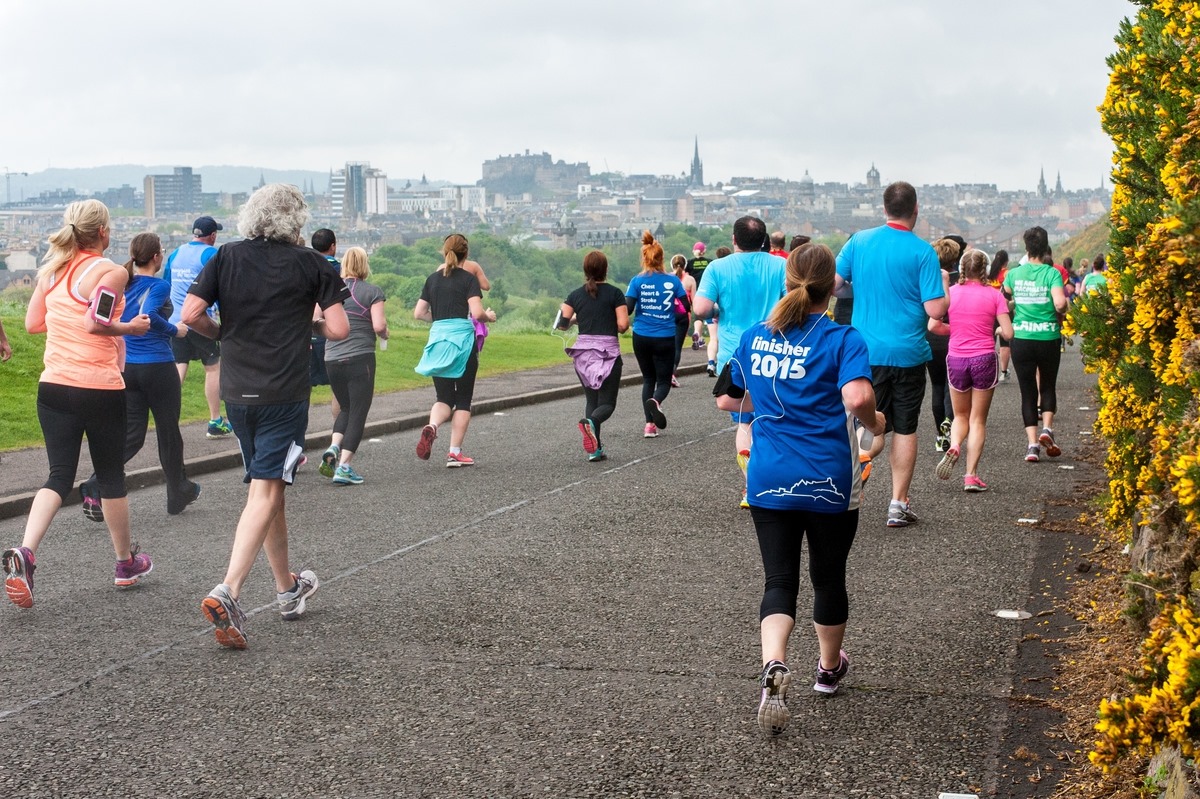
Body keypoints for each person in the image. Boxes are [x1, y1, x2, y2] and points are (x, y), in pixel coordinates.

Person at [713, 243, 885, 733]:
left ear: (787, 282)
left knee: (779, 580)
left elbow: (727, 397)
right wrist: (877, 422)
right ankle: (828, 670)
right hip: (829, 478)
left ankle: (773, 663)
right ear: (833, 288)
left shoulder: (754, 336)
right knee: (828, 577)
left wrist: (766, 399)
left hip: (768, 477)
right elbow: (856, 395)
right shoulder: (842, 338)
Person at [182, 184, 350, 649]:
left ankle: (286, 590)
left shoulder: (226, 257)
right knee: (266, 487)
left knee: (269, 480)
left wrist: (221, 333)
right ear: (294, 221)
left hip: (238, 393)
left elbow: (192, 313)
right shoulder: (312, 264)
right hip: (283, 391)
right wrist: (309, 323)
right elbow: (337, 329)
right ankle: (229, 590)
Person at [3, 199, 154, 609]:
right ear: (103, 232)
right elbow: (97, 322)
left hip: (52, 386)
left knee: (58, 476)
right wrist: (132, 326)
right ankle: (125, 564)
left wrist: (63, 311)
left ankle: (26, 552)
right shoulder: (111, 271)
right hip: (99, 387)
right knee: (110, 476)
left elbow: (34, 323)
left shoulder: (50, 271)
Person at [833, 181, 947, 528]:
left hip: (866, 351)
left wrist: (861, 288)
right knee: (906, 429)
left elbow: (835, 284)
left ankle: (844, 486)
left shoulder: (859, 242)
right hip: (910, 352)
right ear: (916, 210)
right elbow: (935, 309)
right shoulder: (923, 252)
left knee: (868, 422)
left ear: (884, 209)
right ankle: (898, 504)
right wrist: (944, 297)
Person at [79, 233, 201, 520]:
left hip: (128, 368)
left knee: (133, 435)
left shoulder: (125, 283)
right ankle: (177, 493)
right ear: (157, 257)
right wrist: (176, 331)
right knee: (168, 432)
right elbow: (149, 317)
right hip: (158, 367)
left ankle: (95, 484)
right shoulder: (158, 285)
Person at [692, 216, 787, 507]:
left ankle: (751, 487)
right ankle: (778, 481)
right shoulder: (780, 265)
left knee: (745, 421)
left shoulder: (717, 267)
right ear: (765, 241)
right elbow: (794, 302)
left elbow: (701, 308)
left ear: (734, 240)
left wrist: (719, 308)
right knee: (776, 417)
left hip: (734, 352)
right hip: (774, 350)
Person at [930, 249, 1013, 491]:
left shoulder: (951, 293)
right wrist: (996, 331)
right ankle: (970, 475)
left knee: (960, 416)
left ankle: (954, 445)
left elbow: (933, 324)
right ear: (986, 270)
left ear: (963, 269)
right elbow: (1008, 333)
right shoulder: (994, 295)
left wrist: (954, 330)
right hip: (984, 358)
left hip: (956, 358)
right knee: (978, 420)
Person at [413, 233, 496, 467]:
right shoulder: (468, 279)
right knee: (463, 399)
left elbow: (418, 313)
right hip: (463, 343)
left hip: (438, 340)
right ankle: (454, 452)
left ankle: (432, 426)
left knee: (443, 397)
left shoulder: (432, 279)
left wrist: (438, 320)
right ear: (466, 254)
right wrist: (488, 317)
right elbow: (477, 313)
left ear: (443, 251)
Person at [318, 247, 388, 486]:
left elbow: (315, 318)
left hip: (332, 358)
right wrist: (385, 332)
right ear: (365, 265)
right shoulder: (372, 292)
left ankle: (334, 446)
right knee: (359, 411)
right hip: (360, 357)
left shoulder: (330, 290)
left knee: (346, 407)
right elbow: (378, 326)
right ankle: (345, 467)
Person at [1003, 225, 1069, 463]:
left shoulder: (1013, 274)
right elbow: (1060, 304)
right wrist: (1064, 306)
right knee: (1048, 385)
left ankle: (1032, 446)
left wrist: (1015, 307)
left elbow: (1005, 301)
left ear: (1026, 247)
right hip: (1048, 337)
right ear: (1045, 247)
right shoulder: (1052, 274)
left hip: (1021, 339)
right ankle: (1047, 429)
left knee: (1027, 392)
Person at [557, 250, 630, 462]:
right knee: (607, 403)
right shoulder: (615, 294)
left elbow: (562, 324)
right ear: (605, 270)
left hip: (582, 354)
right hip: (607, 353)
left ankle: (594, 450)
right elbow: (623, 325)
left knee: (592, 400)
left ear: (585, 270)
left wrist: (575, 320)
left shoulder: (574, 295)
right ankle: (591, 425)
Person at [164, 216, 231, 439]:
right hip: (201, 319)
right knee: (213, 366)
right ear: (212, 236)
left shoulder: (176, 253)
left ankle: (167, 421)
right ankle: (215, 421)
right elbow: (220, 287)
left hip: (176, 320)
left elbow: (168, 284)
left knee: (179, 366)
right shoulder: (212, 254)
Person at [626, 231, 689, 437]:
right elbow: (685, 307)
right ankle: (656, 401)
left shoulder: (637, 281)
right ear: (662, 258)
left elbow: (627, 309)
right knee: (663, 381)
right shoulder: (673, 282)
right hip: (665, 336)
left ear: (644, 257)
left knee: (648, 379)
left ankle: (649, 426)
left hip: (641, 336)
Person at [926, 237, 961, 452]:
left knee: (936, 386)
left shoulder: (926, 279)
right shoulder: (958, 281)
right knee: (952, 386)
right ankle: (950, 424)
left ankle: (941, 435)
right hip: (953, 337)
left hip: (929, 338)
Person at [309, 228, 339, 404]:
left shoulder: (304, 267)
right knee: (338, 386)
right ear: (333, 246)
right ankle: (338, 429)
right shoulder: (339, 269)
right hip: (330, 332)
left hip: (306, 333)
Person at [670, 253, 697, 386]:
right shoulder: (690, 280)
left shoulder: (667, 278)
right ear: (685, 265)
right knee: (677, 347)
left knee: (666, 344)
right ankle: (672, 374)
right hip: (683, 315)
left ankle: (664, 374)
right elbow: (693, 300)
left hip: (668, 314)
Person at [987, 250, 1012, 381]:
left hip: (989, 310)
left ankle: (990, 371)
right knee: (1004, 343)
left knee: (990, 341)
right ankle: (1003, 372)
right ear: (1006, 261)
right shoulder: (1007, 274)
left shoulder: (990, 274)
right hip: (1004, 310)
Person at [686, 242, 711, 350]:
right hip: (707, 291)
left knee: (697, 314)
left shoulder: (690, 263)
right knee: (702, 316)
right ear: (704, 251)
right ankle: (698, 335)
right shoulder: (710, 262)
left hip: (694, 291)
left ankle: (698, 336)